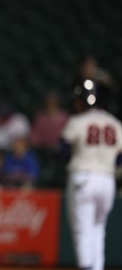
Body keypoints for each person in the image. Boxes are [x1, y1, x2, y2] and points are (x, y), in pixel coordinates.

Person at [58, 79, 122, 270]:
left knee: (82, 231)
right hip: (107, 181)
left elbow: (61, 153)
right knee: (98, 229)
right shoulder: (115, 123)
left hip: (83, 179)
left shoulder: (77, 121)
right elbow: (120, 159)